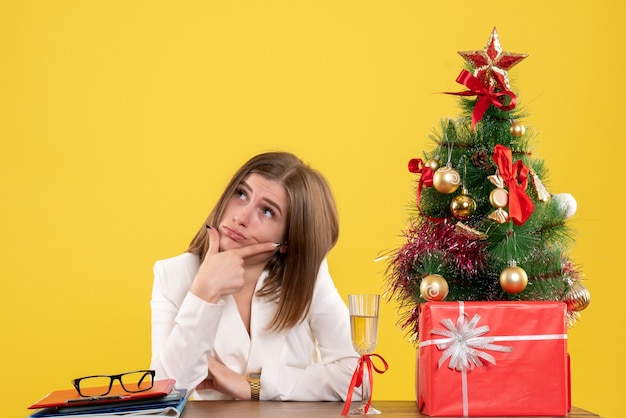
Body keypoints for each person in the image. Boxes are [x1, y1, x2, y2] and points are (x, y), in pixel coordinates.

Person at [149, 151, 360, 401]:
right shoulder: (173, 275)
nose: (240, 218)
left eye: (267, 211)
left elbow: (357, 379)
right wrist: (203, 294)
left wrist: (254, 386)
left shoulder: (309, 275)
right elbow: (165, 393)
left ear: (289, 240)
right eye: (241, 194)